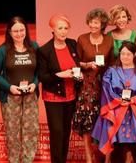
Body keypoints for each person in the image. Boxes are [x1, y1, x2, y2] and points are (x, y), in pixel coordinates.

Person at [93, 41, 136, 162]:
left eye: (128, 54)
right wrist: (118, 100)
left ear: (135, 54)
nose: (125, 57)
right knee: (117, 145)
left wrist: (133, 100)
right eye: (122, 54)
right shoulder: (112, 71)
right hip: (116, 111)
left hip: (134, 112)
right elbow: (106, 89)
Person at [0, 17, 41, 163]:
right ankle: (13, 160)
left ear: (26, 30)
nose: (19, 33)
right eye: (15, 31)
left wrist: (35, 83)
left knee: (31, 131)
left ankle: (28, 160)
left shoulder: (34, 47)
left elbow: (40, 70)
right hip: (10, 97)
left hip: (30, 96)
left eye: (22, 30)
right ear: (9, 32)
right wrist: (9, 87)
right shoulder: (3, 50)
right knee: (12, 132)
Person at [38, 14, 82, 163]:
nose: (63, 31)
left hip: (71, 95)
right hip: (53, 96)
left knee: (66, 131)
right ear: (53, 29)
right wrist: (60, 75)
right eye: (60, 28)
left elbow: (77, 64)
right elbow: (42, 77)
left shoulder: (72, 43)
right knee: (57, 131)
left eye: (66, 28)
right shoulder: (45, 50)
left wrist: (79, 75)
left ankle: (62, 159)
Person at [74, 8, 116, 163]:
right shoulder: (82, 39)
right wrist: (86, 64)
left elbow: (112, 63)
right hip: (87, 86)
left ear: (102, 24)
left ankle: (107, 157)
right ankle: (88, 157)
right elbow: (75, 62)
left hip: (105, 85)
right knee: (87, 121)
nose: (93, 25)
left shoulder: (109, 40)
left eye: (96, 22)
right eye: (91, 22)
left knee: (107, 119)